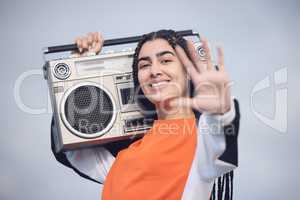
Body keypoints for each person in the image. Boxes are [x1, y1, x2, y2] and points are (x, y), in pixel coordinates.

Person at [51, 30, 240, 200]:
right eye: (144, 65)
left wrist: (221, 110)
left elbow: (220, 142)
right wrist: (76, 72)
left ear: (187, 71)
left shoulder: (202, 140)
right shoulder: (126, 155)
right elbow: (72, 149)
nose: (155, 71)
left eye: (165, 60)